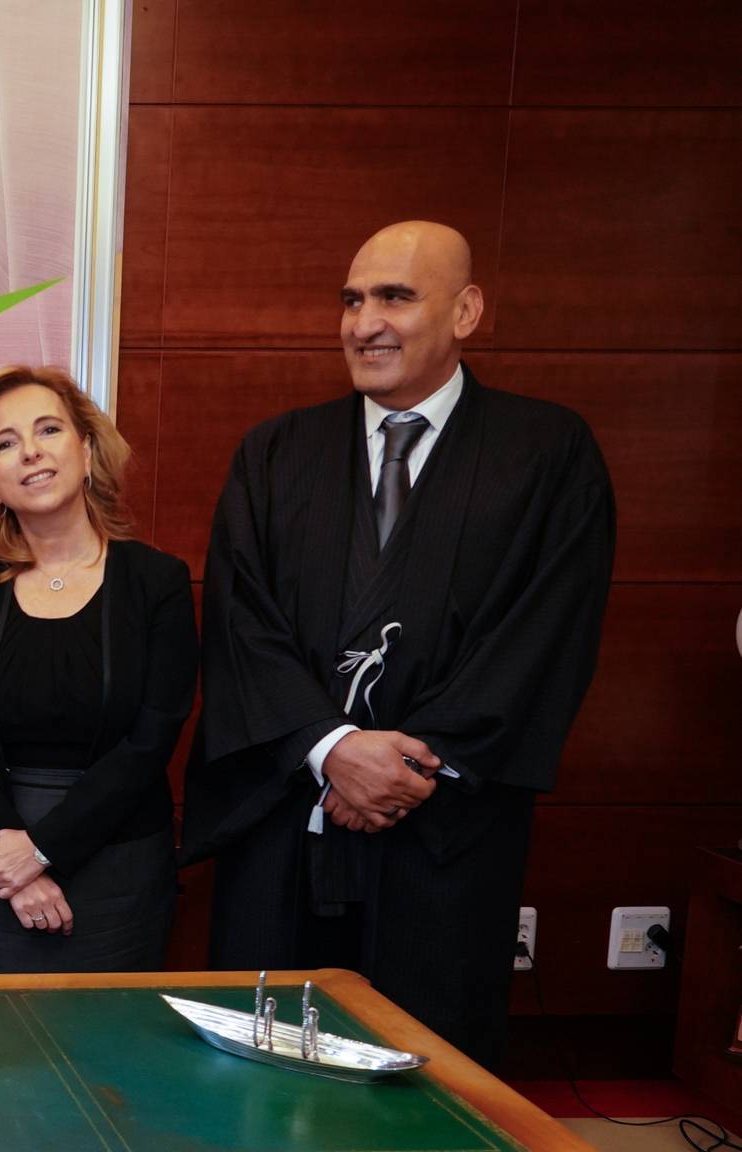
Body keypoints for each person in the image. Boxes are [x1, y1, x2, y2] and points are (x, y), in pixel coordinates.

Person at [183, 221, 615, 1067]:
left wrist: (406, 769)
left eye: (394, 296)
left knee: (428, 1084)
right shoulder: (277, 453)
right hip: (287, 815)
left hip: (446, 830)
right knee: (260, 1066)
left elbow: (545, 634)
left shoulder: (547, 454)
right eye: (351, 299)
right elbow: (241, 622)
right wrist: (333, 748)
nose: (363, 321)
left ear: (467, 310)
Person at [0, 366, 196, 972]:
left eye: (48, 429)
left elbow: (151, 740)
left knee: (109, 1057)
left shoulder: (157, 583)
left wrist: (44, 850)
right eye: (5, 443)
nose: (31, 452)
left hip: (117, 861)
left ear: (88, 448)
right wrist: (17, 865)